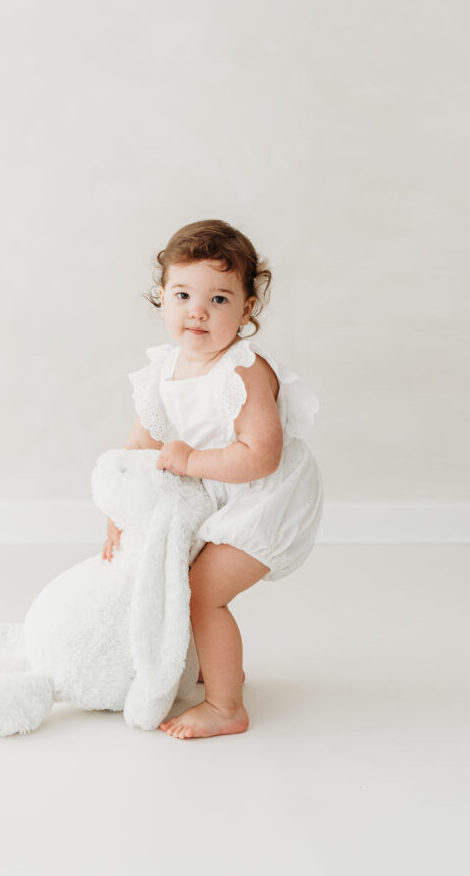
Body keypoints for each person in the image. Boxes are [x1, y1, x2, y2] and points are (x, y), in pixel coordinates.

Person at [101, 219, 323, 739]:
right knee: (179, 576)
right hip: (220, 492)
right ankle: (207, 665)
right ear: (162, 298)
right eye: (183, 294)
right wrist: (119, 511)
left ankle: (227, 706)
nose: (198, 310)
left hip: (269, 498)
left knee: (203, 591)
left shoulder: (242, 369)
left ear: (247, 310)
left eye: (220, 299)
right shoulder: (162, 370)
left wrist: (188, 460)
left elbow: (261, 457)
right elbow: (138, 449)